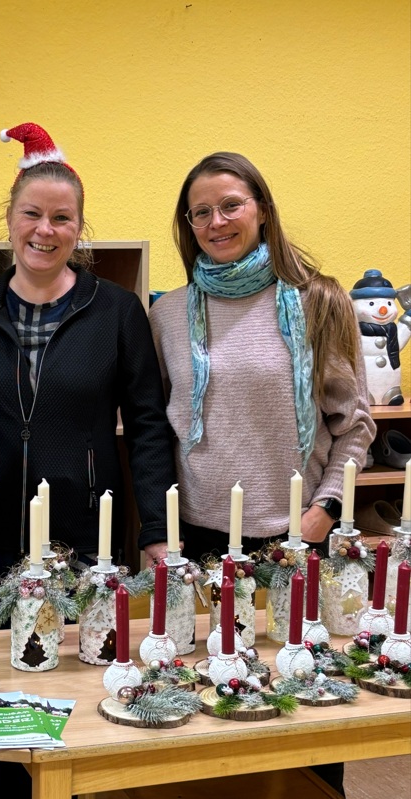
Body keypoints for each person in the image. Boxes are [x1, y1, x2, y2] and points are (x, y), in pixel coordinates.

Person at [149, 151, 376, 796]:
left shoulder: (318, 301)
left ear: (263, 210)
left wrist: (326, 509)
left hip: (296, 538)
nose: (216, 222)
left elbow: (355, 423)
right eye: (200, 213)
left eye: (231, 205)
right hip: (199, 544)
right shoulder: (168, 314)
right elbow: (157, 427)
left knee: (303, 711)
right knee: (205, 716)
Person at [0, 123, 176, 619]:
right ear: (9, 218)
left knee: (82, 657)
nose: (45, 230)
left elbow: (147, 426)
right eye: (32, 214)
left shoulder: (117, 311)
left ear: (78, 228)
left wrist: (156, 531)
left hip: (83, 533)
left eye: (61, 218)